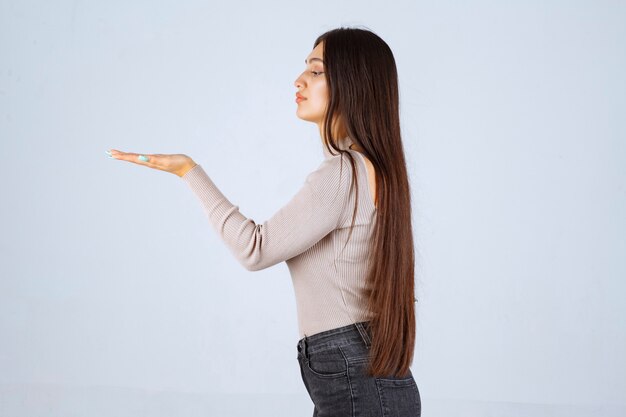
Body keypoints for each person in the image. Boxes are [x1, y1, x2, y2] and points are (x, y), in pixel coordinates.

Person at [107, 26, 420, 417]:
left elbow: (254, 249)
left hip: (352, 373)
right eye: (305, 67)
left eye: (317, 71)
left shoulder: (343, 173)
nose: (300, 79)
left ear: (354, 83)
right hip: (370, 373)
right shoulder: (377, 170)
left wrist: (188, 171)